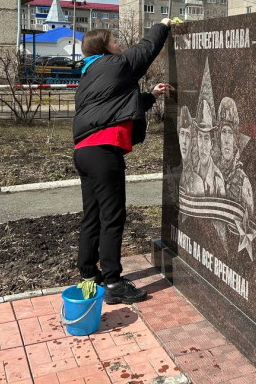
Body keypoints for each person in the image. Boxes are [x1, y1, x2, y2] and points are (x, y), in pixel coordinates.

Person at [73, 19, 174, 305]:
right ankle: (114, 282)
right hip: (104, 153)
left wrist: (151, 96)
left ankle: (88, 274)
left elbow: (116, 109)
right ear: (103, 47)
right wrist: (162, 25)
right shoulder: (112, 65)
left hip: (85, 152)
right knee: (112, 217)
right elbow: (145, 51)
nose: (119, 44)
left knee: (92, 215)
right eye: (114, 40)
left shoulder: (90, 73)